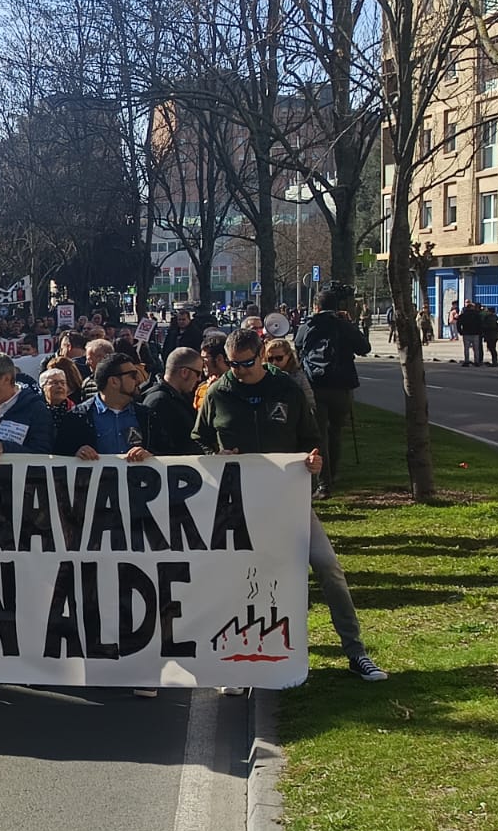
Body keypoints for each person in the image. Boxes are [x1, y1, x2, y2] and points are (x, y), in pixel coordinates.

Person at [193, 328, 387, 683]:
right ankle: (235, 664)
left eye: (246, 364)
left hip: (288, 502)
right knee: (236, 581)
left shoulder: (287, 390)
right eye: (232, 364)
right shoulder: (218, 393)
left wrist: (315, 463)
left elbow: (312, 439)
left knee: (329, 568)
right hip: (239, 507)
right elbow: (199, 437)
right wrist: (214, 456)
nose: (238, 371)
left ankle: (356, 652)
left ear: (262, 356)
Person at [294, 286, 370, 497]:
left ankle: (323, 484)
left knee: (319, 435)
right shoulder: (343, 325)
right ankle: (333, 474)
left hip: (315, 385)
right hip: (342, 386)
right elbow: (364, 348)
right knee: (336, 431)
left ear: (315, 307)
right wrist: (350, 324)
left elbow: (298, 346)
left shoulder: (309, 325)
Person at [55, 353, 155, 460]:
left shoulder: (147, 415)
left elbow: (165, 450)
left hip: (137, 477)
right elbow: (60, 454)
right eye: (133, 375)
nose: (138, 380)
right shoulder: (77, 417)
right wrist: (76, 453)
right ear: (114, 381)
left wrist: (150, 456)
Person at [140, 348, 207, 455]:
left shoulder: (180, 397)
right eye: (198, 373)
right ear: (184, 372)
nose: (199, 379)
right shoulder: (159, 402)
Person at [458, 301, 484, 367]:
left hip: (466, 333)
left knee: (466, 348)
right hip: (475, 334)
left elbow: (458, 324)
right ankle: (477, 361)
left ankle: (466, 361)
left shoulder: (463, 315)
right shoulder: (477, 315)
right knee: (476, 349)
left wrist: (460, 331)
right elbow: (480, 324)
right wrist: (480, 332)